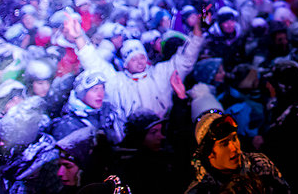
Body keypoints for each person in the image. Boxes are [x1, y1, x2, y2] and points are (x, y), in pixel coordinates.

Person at [62, 10, 205, 123]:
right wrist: (79, 38)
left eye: (142, 57)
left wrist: (198, 31)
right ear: (125, 64)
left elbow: (185, 60)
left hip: (163, 135)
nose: (139, 62)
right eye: (133, 59)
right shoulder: (118, 82)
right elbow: (94, 63)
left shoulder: (160, 73)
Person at [186, 111, 289, 193]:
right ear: (209, 153)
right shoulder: (201, 189)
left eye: (234, 138)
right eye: (224, 144)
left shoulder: (260, 165)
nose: (234, 148)